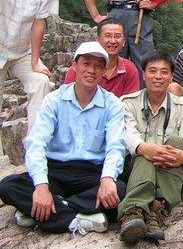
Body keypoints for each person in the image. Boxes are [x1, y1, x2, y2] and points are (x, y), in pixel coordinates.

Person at [0, 42, 126, 235]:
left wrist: (107, 178)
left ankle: (45, 210)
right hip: (56, 171)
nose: (91, 70)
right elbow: (37, 142)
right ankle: (76, 219)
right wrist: (42, 187)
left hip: (91, 172)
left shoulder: (113, 104)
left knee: (118, 188)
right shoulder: (54, 100)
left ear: (104, 71)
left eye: (98, 66)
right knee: (7, 186)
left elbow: (115, 146)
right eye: (86, 63)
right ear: (74, 66)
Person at [118, 52, 183, 244]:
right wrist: (145, 148)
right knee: (141, 149)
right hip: (135, 167)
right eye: (152, 71)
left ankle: (157, 208)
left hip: (167, 166)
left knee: (177, 142)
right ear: (144, 74)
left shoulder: (182, 106)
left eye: (164, 72)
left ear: (171, 77)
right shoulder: (127, 102)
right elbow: (126, 135)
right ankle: (133, 212)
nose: (158, 76)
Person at [0, 0, 59, 128]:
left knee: (41, 82)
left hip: (23, 51)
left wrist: (35, 61)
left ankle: (35, 147)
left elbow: (39, 23)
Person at [64, 18, 140, 97]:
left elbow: (131, 103)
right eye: (108, 36)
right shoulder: (80, 68)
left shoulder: (129, 69)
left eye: (117, 36)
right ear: (97, 40)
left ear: (124, 41)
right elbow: (67, 98)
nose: (113, 41)